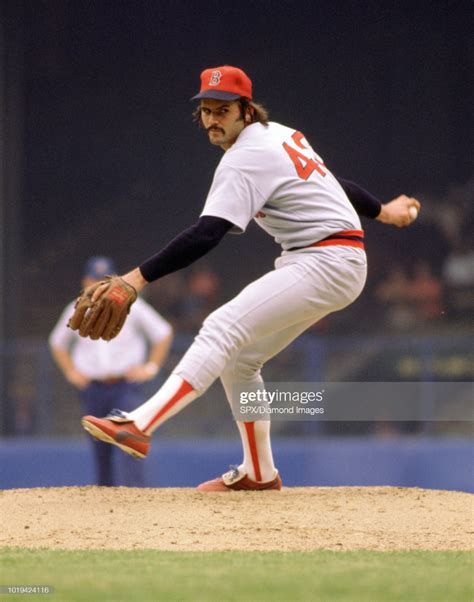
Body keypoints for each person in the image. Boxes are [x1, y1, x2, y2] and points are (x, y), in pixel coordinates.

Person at [80, 66, 420, 492]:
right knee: (242, 360)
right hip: (329, 259)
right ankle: (260, 474)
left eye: (222, 109)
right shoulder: (279, 134)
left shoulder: (245, 156)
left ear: (246, 110)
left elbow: (207, 233)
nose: (211, 119)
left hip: (325, 260)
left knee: (221, 327)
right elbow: (336, 183)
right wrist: (384, 211)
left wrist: (134, 279)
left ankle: (141, 423)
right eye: (205, 110)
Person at [50, 256, 173, 486]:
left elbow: (163, 332)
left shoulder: (132, 305)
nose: (99, 284)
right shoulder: (76, 307)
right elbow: (57, 342)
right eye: (95, 279)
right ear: (85, 281)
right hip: (93, 387)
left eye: (104, 279)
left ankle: (135, 500)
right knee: (100, 449)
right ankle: (105, 508)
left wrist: (150, 367)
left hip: (125, 386)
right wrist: (71, 372)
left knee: (129, 442)